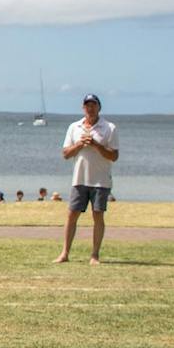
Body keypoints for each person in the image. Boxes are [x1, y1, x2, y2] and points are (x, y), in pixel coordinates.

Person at [56, 93, 120, 265]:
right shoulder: (74, 127)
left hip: (101, 180)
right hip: (79, 179)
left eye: (93, 105)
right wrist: (79, 144)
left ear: (99, 107)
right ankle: (64, 253)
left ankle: (95, 255)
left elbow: (114, 156)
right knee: (72, 215)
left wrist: (95, 145)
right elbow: (65, 154)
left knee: (98, 216)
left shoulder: (109, 128)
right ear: (83, 107)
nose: (90, 108)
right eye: (87, 105)